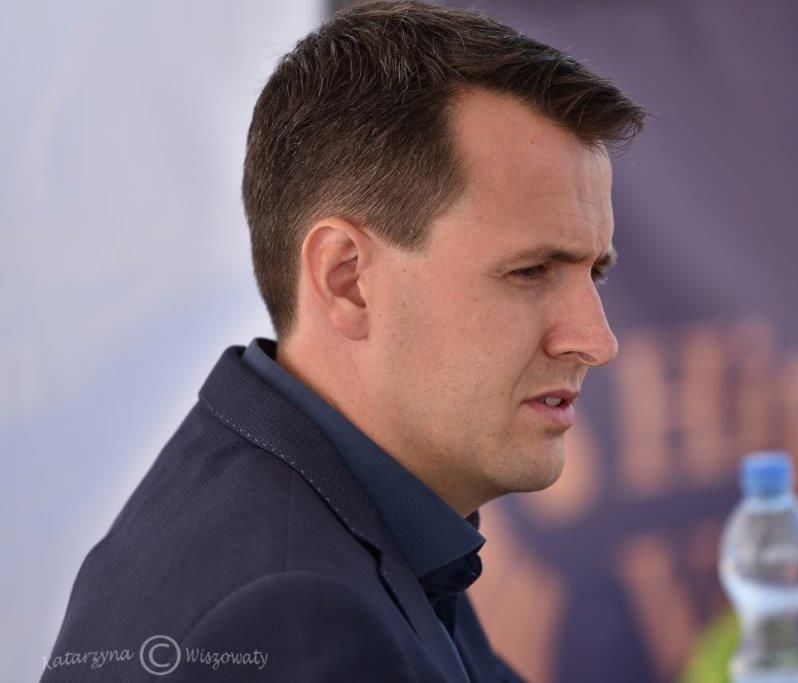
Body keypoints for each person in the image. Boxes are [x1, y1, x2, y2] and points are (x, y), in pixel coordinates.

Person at [43, 1, 644, 680]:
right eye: (530, 271)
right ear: (348, 279)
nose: (596, 341)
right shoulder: (296, 614)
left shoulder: (352, 511)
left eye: (594, 272)